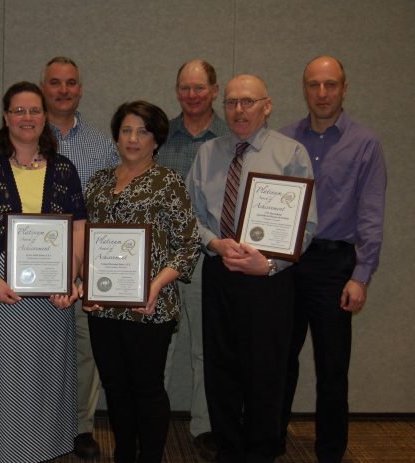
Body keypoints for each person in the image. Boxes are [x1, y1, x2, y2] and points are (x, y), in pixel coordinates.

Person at [0, 81, 86, 463]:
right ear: (5, 117)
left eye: (34, 111)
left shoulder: (63, 168)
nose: (27, 118)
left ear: (45, 118)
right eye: (19, 111)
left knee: (38, 379)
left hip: (47, 300)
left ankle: (37, 450)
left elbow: (77, 229)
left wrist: (69, 278)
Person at [186, 74, 317, 463]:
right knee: (221, 367)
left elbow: (307, 223)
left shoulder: (290, 153)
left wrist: (271, 264)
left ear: (267, 105)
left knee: (266, 371)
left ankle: (262, 450)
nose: (239, 110)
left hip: (269, 279)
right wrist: (213, 242)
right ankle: (228, 448)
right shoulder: (208, 152)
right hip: (220, 271)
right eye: (231, 102)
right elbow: (190, 215)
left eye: (248, 102)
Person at [278, 56, 387, 463]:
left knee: (332, 367)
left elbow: (371, 214)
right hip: (287, 263)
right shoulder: (284, 139)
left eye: (330, 85)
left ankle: (330, 453)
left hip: (334, 265)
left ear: (344, 88)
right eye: (313, 85)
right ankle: (272, 442)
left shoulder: (365, 143)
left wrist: (362, 275)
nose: (321, 94)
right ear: (303, 88)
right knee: (280, 360)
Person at [84, 100, 201, 463]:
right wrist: (84, 282)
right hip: (103, 307)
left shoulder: (168, 182)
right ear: (117, 136)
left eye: (142, 131)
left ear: (156, 139)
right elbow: (84, 240)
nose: (133, 138)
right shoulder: (98, 182)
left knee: (148, 390)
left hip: (149, 307)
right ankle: (123, 455)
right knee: (116, 390)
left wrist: (155, 285)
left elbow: (189, 244)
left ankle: (150, 456)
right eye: (126, 130)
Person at [40, 56, 119, 459]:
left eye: (71, 82)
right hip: (38, 264)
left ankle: (81, 427)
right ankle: (38, 421)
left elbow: (110, 203)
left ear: (81, 89)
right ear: (44, 88)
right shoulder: (26, 137)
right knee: (40, 346)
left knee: (88, 347)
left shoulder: (101, 143)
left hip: (88, 262)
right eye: (55, 83)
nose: (64, 90)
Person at [157, 59, 230, 461]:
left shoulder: (229, 138)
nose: (192, 95)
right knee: (160, 345)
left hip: (206, 257)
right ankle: (154, 421)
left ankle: (205, 426)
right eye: (185, 88)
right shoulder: (161, 136)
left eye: (200, 88)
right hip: (162, 258)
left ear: (215, 90)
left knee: (206, 347)